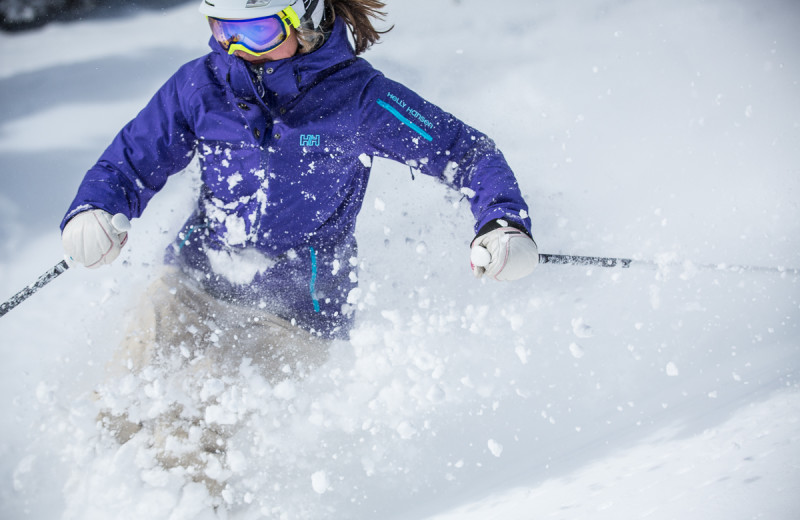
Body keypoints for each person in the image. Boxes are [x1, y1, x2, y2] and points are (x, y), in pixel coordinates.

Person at [59, 0, 539, 487]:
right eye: (224, 30)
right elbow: (130, 160)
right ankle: (99, 496)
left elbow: (465, 152)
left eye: (260, 32)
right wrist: (93, 208)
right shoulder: (201, 85)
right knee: (124, 393)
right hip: (193, 283)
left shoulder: (358, 98)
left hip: (296, 314)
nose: (238, 49)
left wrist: (501, 222)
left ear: (306, 20)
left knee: (199, 423)